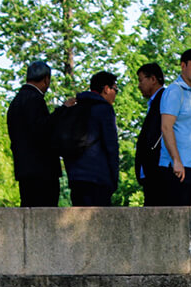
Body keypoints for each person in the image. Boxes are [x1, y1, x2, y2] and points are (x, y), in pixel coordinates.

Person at [157, 49, 191, 206]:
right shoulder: (174, 90)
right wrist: (176, 160)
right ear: (183, 65)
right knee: (175, 220)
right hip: (178, 167)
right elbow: (166, 127)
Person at [7, 61, 62, 207]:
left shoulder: (16, 102)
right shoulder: (35, 100)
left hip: (24, 169)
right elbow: (42, 130)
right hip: (42, 171)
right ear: (46, 79)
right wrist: (62, 111)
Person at [65, 71, 120, 206]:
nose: (115, 94)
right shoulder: (104, 110)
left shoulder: (75, 108)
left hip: (76, 178)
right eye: (115, 89)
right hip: (99, 178)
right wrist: (114, 178)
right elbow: (111, 146)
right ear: (106, 89)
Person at [135, 63, 167, 206]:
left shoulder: (164, 99)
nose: (139, 85)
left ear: (153, 79)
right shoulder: (153, 103)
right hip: (150, 172)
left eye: (141, 80)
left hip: (158, 170)